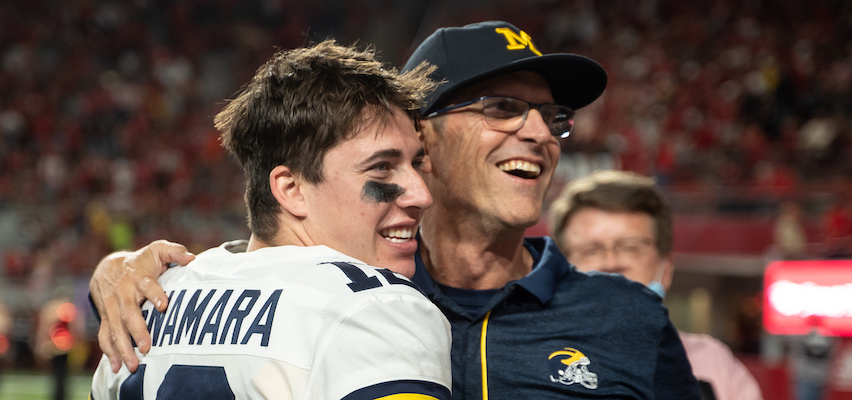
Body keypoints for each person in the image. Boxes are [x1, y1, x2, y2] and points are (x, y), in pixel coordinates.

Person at [90, 21, 701, 399]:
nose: (540, 131)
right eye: (502, 108)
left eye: (553, 117)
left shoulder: (628, 318)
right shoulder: (352, 290)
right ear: (421, 140)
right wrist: (120, 269)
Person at [90, 40, 452, 399]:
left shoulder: (139, 307)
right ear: (292, 189)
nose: (422, 195)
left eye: (416, 163)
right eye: (382, 168)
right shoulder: (375, 307)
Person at [550, 169, 764, 400]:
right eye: (590, 250)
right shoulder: (530, 364)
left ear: (665, 270)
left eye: (631, 247)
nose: (610, 263)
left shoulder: (715, 364)